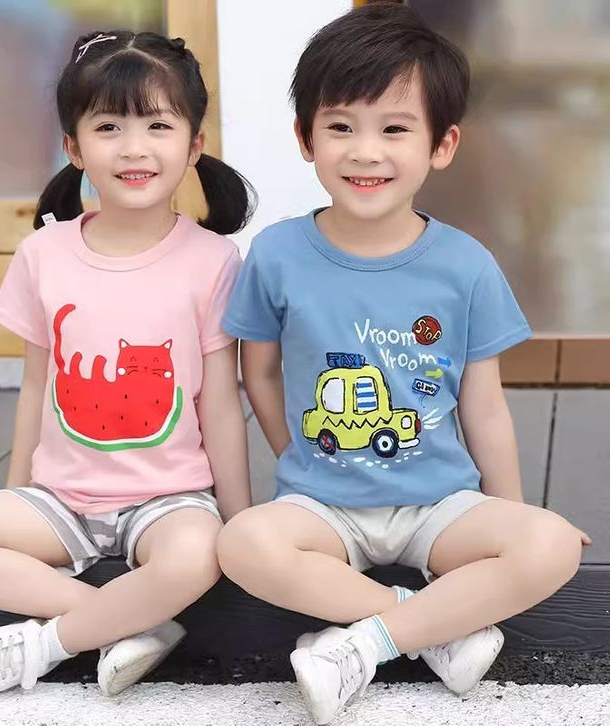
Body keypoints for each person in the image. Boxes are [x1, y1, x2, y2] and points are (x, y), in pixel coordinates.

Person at [218, 3, 590, 724]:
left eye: (394, 129)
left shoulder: (465, 264)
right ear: (305, 138)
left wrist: (512, 513)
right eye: (341, 127)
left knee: (549, 544)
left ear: (441, 145)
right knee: (242, 542)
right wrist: (297, 455)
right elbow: (256, 373)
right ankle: (431, 628)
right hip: (322, 506)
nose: (366, 152)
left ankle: (366, 643)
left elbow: (484, 404)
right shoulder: (276, 255)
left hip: (439, 505)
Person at [0, 29, 254, 705]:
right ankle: (128, 621)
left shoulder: (214, 262)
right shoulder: (44, 254)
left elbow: (221, 404)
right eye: (109, 127)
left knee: (197, 553)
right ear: (75, 147)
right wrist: (14, 493)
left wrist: (237, 522)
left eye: (158, 125)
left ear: (194, 145)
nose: (134, 147)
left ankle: (42, 644)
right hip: (60, 499)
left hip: (169, 500)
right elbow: (38, 385)